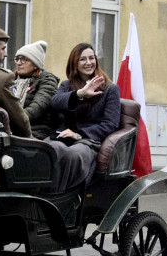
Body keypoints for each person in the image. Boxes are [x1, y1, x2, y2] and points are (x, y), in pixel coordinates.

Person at [44, 43, 121, 192]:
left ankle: (63, 195)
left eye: (91, 58)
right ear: (75, 63)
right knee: (50, 149)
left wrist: (79, 134)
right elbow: (55, 102)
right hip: (63, 136)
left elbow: (110, 125)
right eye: (82, 59)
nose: (88, 62)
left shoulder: (110, 89)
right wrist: (80, 94)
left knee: (73, 155)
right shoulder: (66, 85)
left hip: (89, 141)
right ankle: (43, 192)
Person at [11, 40, 60, 140]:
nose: (19, 63)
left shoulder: (47, 81)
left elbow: (36, 109)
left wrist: (11, 119)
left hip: (36, 133)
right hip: (13, 129)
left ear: (35, 64)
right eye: (17, 59)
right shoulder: (12, 79)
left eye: (23, 59)